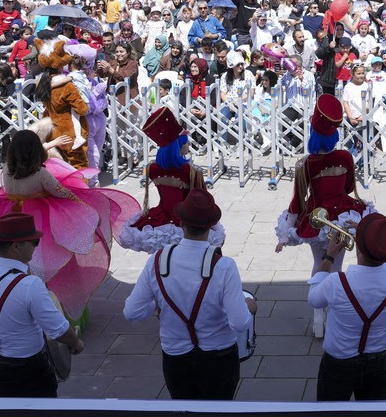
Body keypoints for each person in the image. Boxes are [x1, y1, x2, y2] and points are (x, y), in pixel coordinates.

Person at [0, 129, 140, 320]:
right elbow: (60, 191)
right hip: (41, 218)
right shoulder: (41, 174)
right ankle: (53, 300)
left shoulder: (6, 170)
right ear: (36, 153)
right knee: (49, 254)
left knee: (19, 257)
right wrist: (80, 202)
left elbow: (7, 189)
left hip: (13, 212)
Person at [123, 188, 256, 399]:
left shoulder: (157, 261)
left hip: (176, 358)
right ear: (211, 227)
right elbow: (240, 323)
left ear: (181, 223)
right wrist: (249, 307)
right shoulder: (224, 266)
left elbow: (131, 312)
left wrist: (157, 303)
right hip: (219, 358)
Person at [0, 211, 84, 398]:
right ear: (15, 246)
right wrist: (75, 343)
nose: (36, 247)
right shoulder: (30, 285)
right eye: (33, 242)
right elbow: (58, 330)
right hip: (27, 372)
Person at [275, 94, 371, 339]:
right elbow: (349, 187)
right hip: (343, 214)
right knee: (337, 266)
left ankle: (319, 320)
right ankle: (336, 316)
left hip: (318, 218)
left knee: (320, 263)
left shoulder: (305, 164)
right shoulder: (345, 157)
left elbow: (297, 200)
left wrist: (286, 232)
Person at [307, 213, 386, 401]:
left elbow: (314, 299)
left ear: (358, 249)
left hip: (338, 366)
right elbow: (384, 263)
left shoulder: (337, 282)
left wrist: (328, 257)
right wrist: (370, 236)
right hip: (379, 364)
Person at [118, 108, 224, 253]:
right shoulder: (190, 171)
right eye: (185, 143)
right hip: (185, 220)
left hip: (159, 218)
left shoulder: (153, 169)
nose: (188, 146)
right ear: (178, 146)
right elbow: (202, 197)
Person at [34, 37, 90, 168]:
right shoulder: (66, 86)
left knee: (59, 165)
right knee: (79, 164)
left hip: (53, 131)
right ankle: (78, 189)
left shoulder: (42, 84)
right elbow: (82, 109)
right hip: (70, 132)